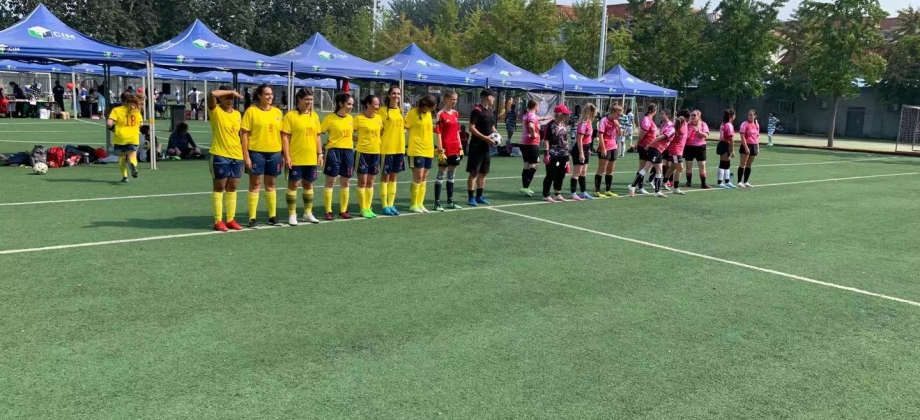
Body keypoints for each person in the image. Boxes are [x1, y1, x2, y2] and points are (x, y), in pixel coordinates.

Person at [241, 84, 284, 228]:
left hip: (275, 153)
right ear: (259, 95)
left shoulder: (278, 112)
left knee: (271, 184)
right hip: (256, 153)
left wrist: (283, 154)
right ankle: (252, 218)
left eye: (271, 94)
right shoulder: (251, 111)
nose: (270, 96)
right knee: (256, 184)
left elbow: (282, 135)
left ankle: (272, 216)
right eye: (266, 94)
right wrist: (246, 156)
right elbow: (245, 135)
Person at [281, 89, 323, 225]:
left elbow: (317, 137)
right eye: (307, 99)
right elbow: (285, 138)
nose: (309, 102)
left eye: (311, 99)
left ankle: (307, 213)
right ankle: (292, 214)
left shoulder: (315, 116)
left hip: (310, 157)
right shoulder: (290, 116)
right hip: (295, 157)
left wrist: (320, 154)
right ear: (299, 99)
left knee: (308, 184)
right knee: (293, 184)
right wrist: (287, 156)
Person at [207, 86, 245, 232]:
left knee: (233, 187)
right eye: (227, 97)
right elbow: (212, 94)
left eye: (232, 97)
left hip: (237, 156)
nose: (230, 100)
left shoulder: (237, 114)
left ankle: (230, 219)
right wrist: (230, 91)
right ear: (220, 98)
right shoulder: (215, 110)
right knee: (219, 188)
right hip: (220, 155)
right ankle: (218, 221)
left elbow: (239, 136)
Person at [320, 93, 356, 220]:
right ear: (341, 104)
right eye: (349, 104)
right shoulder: (329, 118)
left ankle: (343, 210)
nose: (351, 107)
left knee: (346, 181)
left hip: (348, 152)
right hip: (333, 151)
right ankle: (328, 211)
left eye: (352, 104)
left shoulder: (351, 119)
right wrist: (319, 151)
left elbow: (350, 135)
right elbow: (319, 133)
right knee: (331, 181)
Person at [630, 110, 674, 198]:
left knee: (659, 170)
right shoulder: (667, 126)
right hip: (656, 149)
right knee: (646, 168)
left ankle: (657, 191)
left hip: (659, 150)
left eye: (662, 114)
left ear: (668, 115)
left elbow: (661, 138)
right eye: (660, 113)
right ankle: (632, 186)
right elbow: (659, 138)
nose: (660, 115)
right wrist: (649, 145)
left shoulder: (670, 127)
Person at [466, 89, 498, 206]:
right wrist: (485, 138)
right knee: (474, 173)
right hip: (476, 146)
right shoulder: (476, 110)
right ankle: (471, 198)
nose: (494, 98)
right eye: (492, 96)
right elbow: (471, 128)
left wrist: (497, 135)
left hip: (486, 147)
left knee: (484, 172)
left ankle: (479, 196)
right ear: (486, 97)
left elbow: (492, 126)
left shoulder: (490, 111)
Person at [434, 90, 464, 211]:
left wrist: (461, 147)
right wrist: (441, 150)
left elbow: (457, 132)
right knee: (441, 174)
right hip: (445, 149)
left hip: (455, 148)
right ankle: (437, 203)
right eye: (452, 99)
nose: (454, 102)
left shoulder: (456, 113)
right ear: (445, 99)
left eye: (456, 99)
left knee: (452, 175)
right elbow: (439, 134)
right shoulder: (440, 114)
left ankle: (450, 201)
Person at [406, 95, 437, 213]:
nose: (433, 110)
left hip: (428, 150)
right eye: (431, 107)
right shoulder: (412, 113)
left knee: (424, 177)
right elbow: (405, 127)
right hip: (416, 150)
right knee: (418, 176)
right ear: (425, 106)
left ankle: (420, 203)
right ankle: (413, 204)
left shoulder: (428, 114)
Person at [354, 94, 383, 219]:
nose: (378, 106)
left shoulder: (379, 118)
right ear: (368, 104)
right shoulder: (358, 118)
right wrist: (360, 139)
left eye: (378, 103)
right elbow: (349, 133)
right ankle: (362, 209)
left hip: (376, 153)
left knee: (371, 182)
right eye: (375, 104)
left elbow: (381, 131)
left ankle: (368, 207)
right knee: (363, 181)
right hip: (362, 153)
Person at [379, 85, 405, 216]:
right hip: (387, 149)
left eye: (398, 94)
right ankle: (384, 205)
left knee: (394, 177)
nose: (396, 96)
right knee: (385, 177)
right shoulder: (382, 111)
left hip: (399, 148)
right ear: (389, 95)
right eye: (394, 93)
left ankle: (391, 204)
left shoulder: (400, 110)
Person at [106, 93, 144, 183]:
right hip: (133, 137)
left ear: (122, 100)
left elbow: (109, 123)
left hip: (120, 137)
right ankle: (133, 165)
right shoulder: (136, 110)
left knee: (122, 158)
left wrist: (112, 128)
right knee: (132, 156)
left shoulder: (116, 110)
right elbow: (141, 124)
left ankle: (125, 177)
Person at [542, 105, 572, 202]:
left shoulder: (563, 125)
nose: (566, 115)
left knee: (561, 175)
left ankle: (557, 193)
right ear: (559, 114)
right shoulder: (550, 125)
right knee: (551, 174)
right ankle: (546, 195)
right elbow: (546, 140)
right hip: (553, 153)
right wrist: (546, 154)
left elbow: (565, 140)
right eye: (565, 114)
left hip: (563, 154)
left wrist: (567, 156)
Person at [570, 103, 597, 201]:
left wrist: (588, 149)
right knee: (577, 172)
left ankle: (583, 192)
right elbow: (579, 139)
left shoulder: (589, 122)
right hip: (579, 148)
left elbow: (588, 138)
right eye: (592, 112)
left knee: (583, 172)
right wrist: (581, 153)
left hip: (586, 148)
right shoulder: (583, 123)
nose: (594, 114)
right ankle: (573, 193)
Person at [594, 105, 623, 198]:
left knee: (610, 170)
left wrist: (618, 127)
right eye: (618, 115)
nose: (619, 117)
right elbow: (600, 135)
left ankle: (608, 190)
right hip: (605, 147)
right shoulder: (604, 121)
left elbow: (620, 134)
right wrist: (603, 148)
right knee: (601, 170)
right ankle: (597, 191)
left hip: (613, 147)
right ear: (613, 112)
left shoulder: (615, 122)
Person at [683, 109, 711, 189]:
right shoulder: (687, 125)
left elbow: (706, 135)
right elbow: (683, 135)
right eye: (691, 115)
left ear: (699, 116)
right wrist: (687, 135)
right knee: (688, 166)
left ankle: (703, 183)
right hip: (689, 147)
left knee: (702, 166)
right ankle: (688, 182)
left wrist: (698, 131)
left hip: (700, 147)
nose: (692, 117)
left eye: (694, 115)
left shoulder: (703, 124)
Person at [518, 100, 541, 197]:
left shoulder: (526, 114)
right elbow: (531, 125)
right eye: (538, 106)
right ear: (535, 106)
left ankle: (525, 187)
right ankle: (526, 187)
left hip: (524, 143)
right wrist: (533, 134)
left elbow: (539, 119)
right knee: (534, 165)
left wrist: (550, 117)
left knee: (526, 165)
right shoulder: (532, 115)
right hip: (531, 143)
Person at [634, 104, 658, 187]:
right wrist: (637, 145)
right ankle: (639, 186)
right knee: (643, 167)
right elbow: (641, 135)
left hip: (650, 147)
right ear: (655, 111)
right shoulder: (646, 120)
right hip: (644, 146)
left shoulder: (650, 119)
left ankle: (639, 184)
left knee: (647, 167)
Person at [665, 112, 689, 195]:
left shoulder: (685, 125)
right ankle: (676, 188)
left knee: (672, 167)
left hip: (679, 150)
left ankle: (664, 182)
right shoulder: (675, 128)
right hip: (675, 151)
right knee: (680, 168)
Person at [738, 109, 759, 188]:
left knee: (749, 164)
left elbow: (757, 136)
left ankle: (746, 181)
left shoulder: (757, 124)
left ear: (755, 116)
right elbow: (742, 136)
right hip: (746, 145)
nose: (749, 116)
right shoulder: (744, 124)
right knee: (743, 164)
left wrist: (757, 147)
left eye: (751, 115)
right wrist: (746, 147)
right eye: (749, 115)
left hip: (754, 145)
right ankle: (739, 181)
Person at [716, 109, 737, 188]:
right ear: (732, 116)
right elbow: (731, 138)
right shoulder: (728, 125)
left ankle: (727, 181)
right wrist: (732, 150)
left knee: (726, 164)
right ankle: (720, 182)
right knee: (723, 164)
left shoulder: (723, 123)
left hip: (722, 143)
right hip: (725, 144)